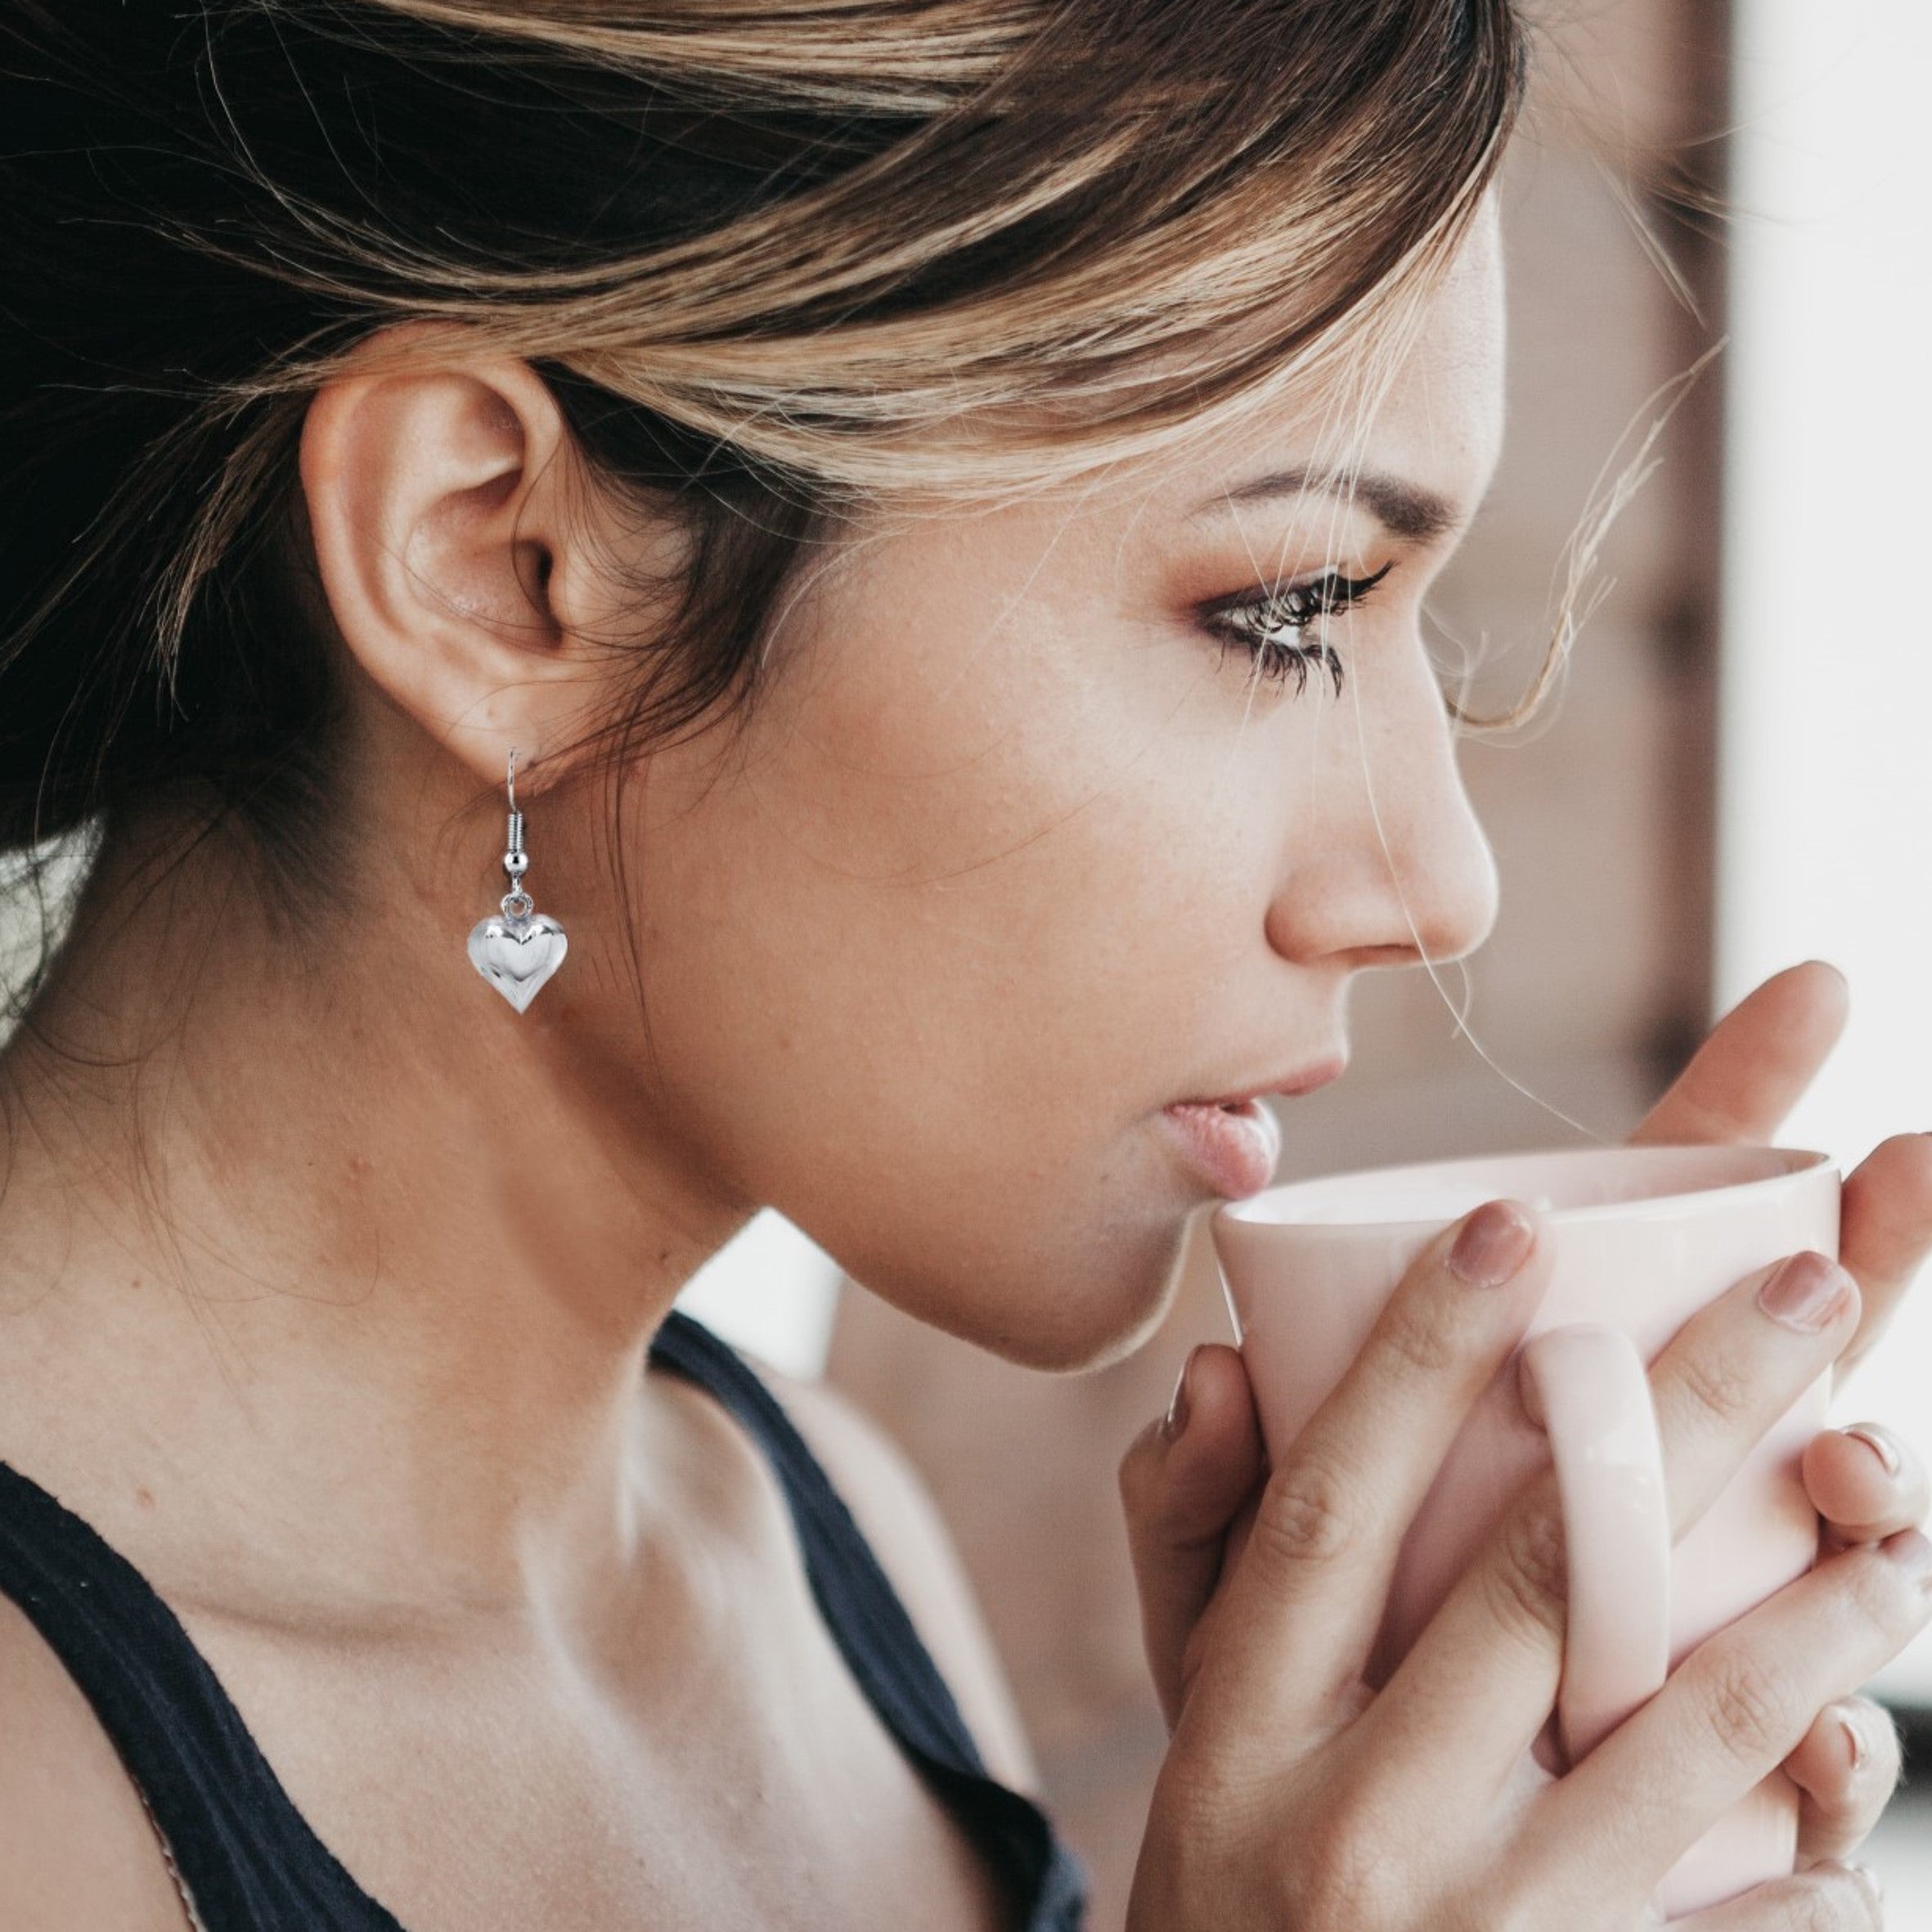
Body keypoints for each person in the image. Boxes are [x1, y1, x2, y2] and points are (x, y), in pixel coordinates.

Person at [0, 2, 1926, 1927]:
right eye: (1277, 609)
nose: (1438, 881)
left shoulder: (822, 1552)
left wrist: (1456, 1755)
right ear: (499, 562)